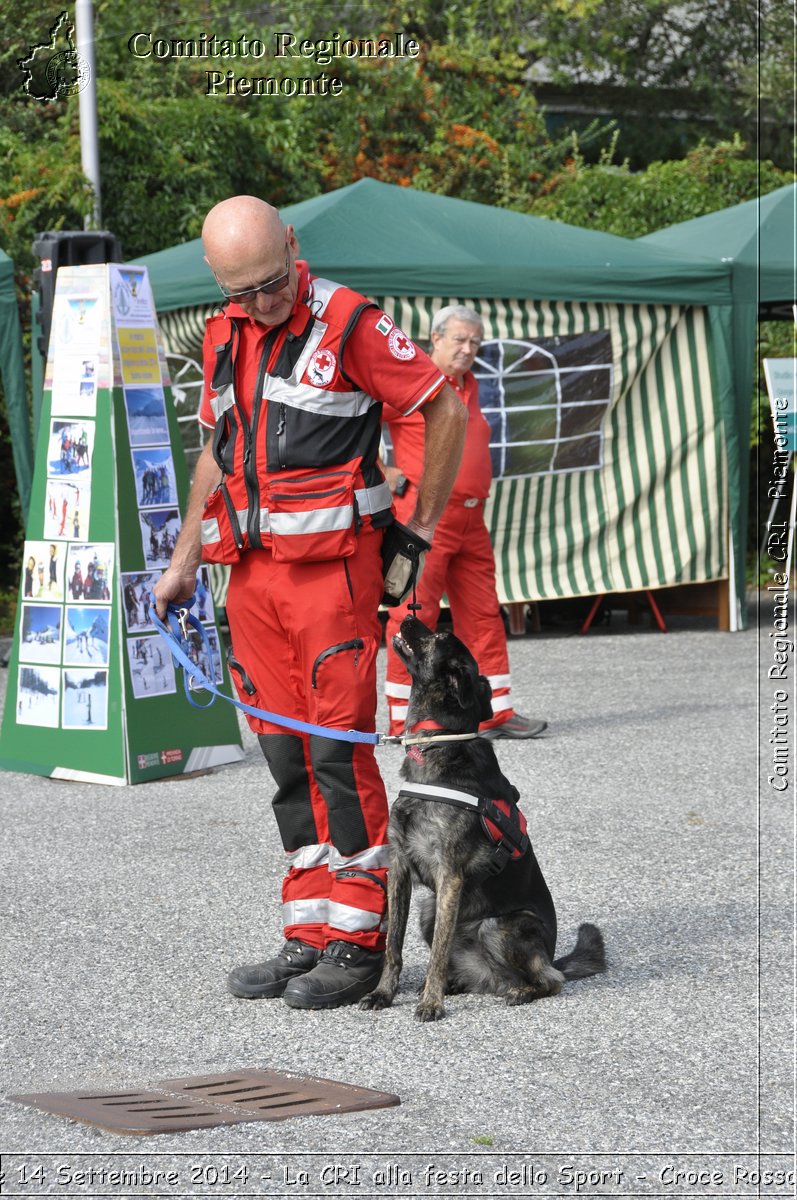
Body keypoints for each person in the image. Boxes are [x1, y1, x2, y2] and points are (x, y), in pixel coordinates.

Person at [154, 195, 466, 1010]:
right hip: (251, 576)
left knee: (336, 755)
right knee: (285, 757)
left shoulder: (351, 324)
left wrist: (418, 530)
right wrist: (184, 560)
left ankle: (362, 941)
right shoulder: (223, 334)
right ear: (218, 284)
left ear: (293, 246)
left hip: (332, 576)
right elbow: (218, 454)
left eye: (271, 280)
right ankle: (308, 930)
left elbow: (441, 408)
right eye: (242, 290)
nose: (262, 301)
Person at [382, 305, 547, 740]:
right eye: (459, 339)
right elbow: (355, 427)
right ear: (435, 338)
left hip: (473, 517)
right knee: (413, 615)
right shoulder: (413, 380)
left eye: (475, 341)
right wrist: (385, 475)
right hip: (425, 517)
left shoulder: (470, 386)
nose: (468, 348)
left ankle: (496, 712)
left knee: (482, 614)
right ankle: (407, 720)